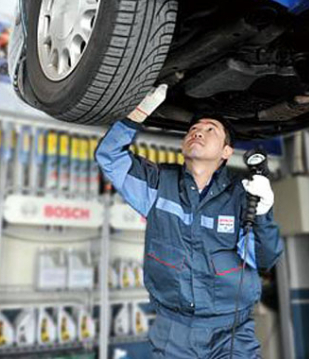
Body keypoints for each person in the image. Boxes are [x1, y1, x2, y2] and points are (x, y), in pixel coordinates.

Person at [96, 85, 284, 358]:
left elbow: (265, 258)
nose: (198, 131)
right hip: (173, 330)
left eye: (211, 130)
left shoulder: (241, 196)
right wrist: (137, 114)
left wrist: (264, 212)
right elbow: (110, 157)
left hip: (230, 330)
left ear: (226, 151)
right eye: (194, 128)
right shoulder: (158, 184)